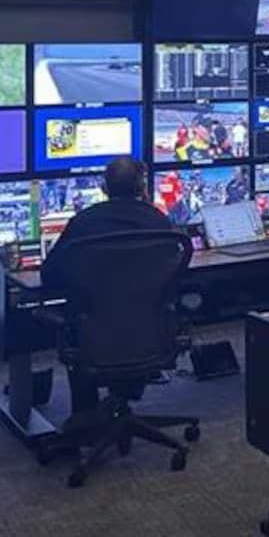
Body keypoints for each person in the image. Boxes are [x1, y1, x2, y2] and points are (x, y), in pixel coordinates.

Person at [40, 157, 179, 423]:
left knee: (77, 319)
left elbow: (50, 275)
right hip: (149, 332)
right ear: (142, 188)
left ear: (104, 187)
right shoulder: (158, 222)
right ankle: (124, 394)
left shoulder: (84, 223)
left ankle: (85, 421)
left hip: (95, 334)